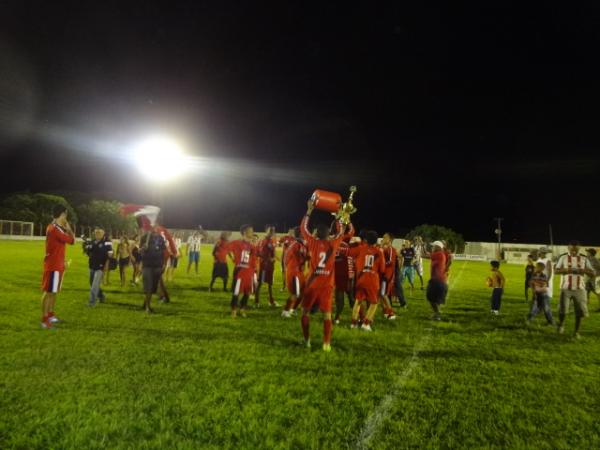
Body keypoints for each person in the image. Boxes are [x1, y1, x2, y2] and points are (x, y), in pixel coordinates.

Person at [299, 200, 344, 352]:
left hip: (312, 285)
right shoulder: (334, 244)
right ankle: (326, 343)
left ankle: (307, 341)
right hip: (327, 285)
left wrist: (309, 211)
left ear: (316, 233)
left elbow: (303, 228)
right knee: (327, 315)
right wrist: (338, 217)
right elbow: (341, 232)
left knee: (305, 312)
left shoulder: (312, 242)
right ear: (328, 234)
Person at [40, 204, 75, 329]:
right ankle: (44, 320)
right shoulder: (54, 228)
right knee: (49, 293)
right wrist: (69, 228)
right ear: (63, 214)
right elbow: (72, 241)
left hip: (58, 264)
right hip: (52, 265)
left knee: (54, 292)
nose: (67, 217)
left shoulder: (57, 228)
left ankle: (50, 314)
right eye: (66, 214)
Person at [555, 241, 595, 339]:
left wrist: (584, 270)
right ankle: (561, 325)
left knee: (579, 312)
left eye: (576, 249)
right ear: (568, 248)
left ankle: (576, 332)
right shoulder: (563, 257)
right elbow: (556, 270)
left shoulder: (584, 258)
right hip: (565, 288)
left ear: (579, 249)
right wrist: (566, 270)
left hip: (580, 289)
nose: (573, 251)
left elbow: (593, 273)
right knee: (563, 311)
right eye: (572, 249)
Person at [349, 230, 386, 331]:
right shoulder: (379, 252)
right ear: (376, 240)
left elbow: (349, 253)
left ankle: (353, 323)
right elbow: (382, 269)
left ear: (365, 239)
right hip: (372, 279)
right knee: (374, 303)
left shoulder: (360, 248)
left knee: (358, 301)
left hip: (360, 278)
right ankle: (366, 323)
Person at [226, 224, 258, 318]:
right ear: (245, 232)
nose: (252, 233)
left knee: (247, 292)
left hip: (249, 272)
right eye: (250, 231)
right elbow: (227, 249)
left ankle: (243, 308)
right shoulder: (237, 242)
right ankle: (234, 309)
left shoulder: (252, 246)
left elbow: (253, 259)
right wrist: (233, 259)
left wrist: (254, 270)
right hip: (240, 271)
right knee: (236, 292)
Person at [281, 227, 308, 318]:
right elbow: (287, 259)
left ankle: (293, 309)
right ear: (300, 234)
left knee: (303, 292)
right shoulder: (296, 244)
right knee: (295, 293)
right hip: (294, 271)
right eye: (304, 232)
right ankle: (285, 311)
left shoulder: (300, 244)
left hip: (299, 271)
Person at [83, 227, 113, 307]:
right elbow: (88, 252)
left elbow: (110, 254)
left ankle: (91, 302)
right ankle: (101, 296)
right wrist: (86, 249)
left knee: (95, 285)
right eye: (96, 233)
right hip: (92, 265)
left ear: (103, 233)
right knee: (92, 283)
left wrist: (106, 265)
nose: (97, 234)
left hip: (101, 266)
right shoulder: (92, 241)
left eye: (99, 233)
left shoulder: (107, 242)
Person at [140, 226, 167, 313]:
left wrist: (164, 264)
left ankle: (145, 304)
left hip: (158, 266)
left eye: (156, 226)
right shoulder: (144, 237)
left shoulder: (160, 238)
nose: (154, 228)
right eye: (152, 226)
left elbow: (164, 251)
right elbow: (140, 251)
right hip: (147, 265)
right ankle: (148, 308)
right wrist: (143, 248)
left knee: (152, 288)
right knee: (148, 286)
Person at [333, 222, 355, 324]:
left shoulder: (334, 240)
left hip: (341, 271)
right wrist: (348, 221)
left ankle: (338, 317)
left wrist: (345, 220)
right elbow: (352, 231)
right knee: (347, 295)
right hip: (344, 271)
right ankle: (358, 317)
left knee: (345, 295)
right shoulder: (343, 238)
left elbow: (351, 231)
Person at [255, 225, 279, 307]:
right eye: (270, 231)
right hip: (264, 266)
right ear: (266, 231)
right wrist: (270, 259)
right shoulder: (263, 241)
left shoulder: (271, 241)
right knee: (260, 283)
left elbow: (272, 251)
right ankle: (257, 301)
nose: (272, 232)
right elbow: (260, 253)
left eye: (273, 231)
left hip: (270, 266)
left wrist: (274, 258)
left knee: (270, 284)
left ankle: (271, 301)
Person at [426, 241, 447, 321]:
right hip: (439, 281)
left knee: (430, 297)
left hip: (437, 281)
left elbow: (424, 255)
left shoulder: (438, 254)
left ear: (437, 247)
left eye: (433, 246)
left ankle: (437, 314)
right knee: (434, 299)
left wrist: (421, 246)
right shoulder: (440, 254)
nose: (432, 248)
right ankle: (437, 314)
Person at [379, 232, 397, 320]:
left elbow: (390, 262)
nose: (383, 239)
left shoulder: (391, 249)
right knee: (380, 294)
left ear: (390, 240)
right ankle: (385, 311)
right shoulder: (384, 248)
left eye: (385, 237)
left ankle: (391, 312)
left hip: (387, 275)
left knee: (383, 294)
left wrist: (380, 265)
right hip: (382, 274)